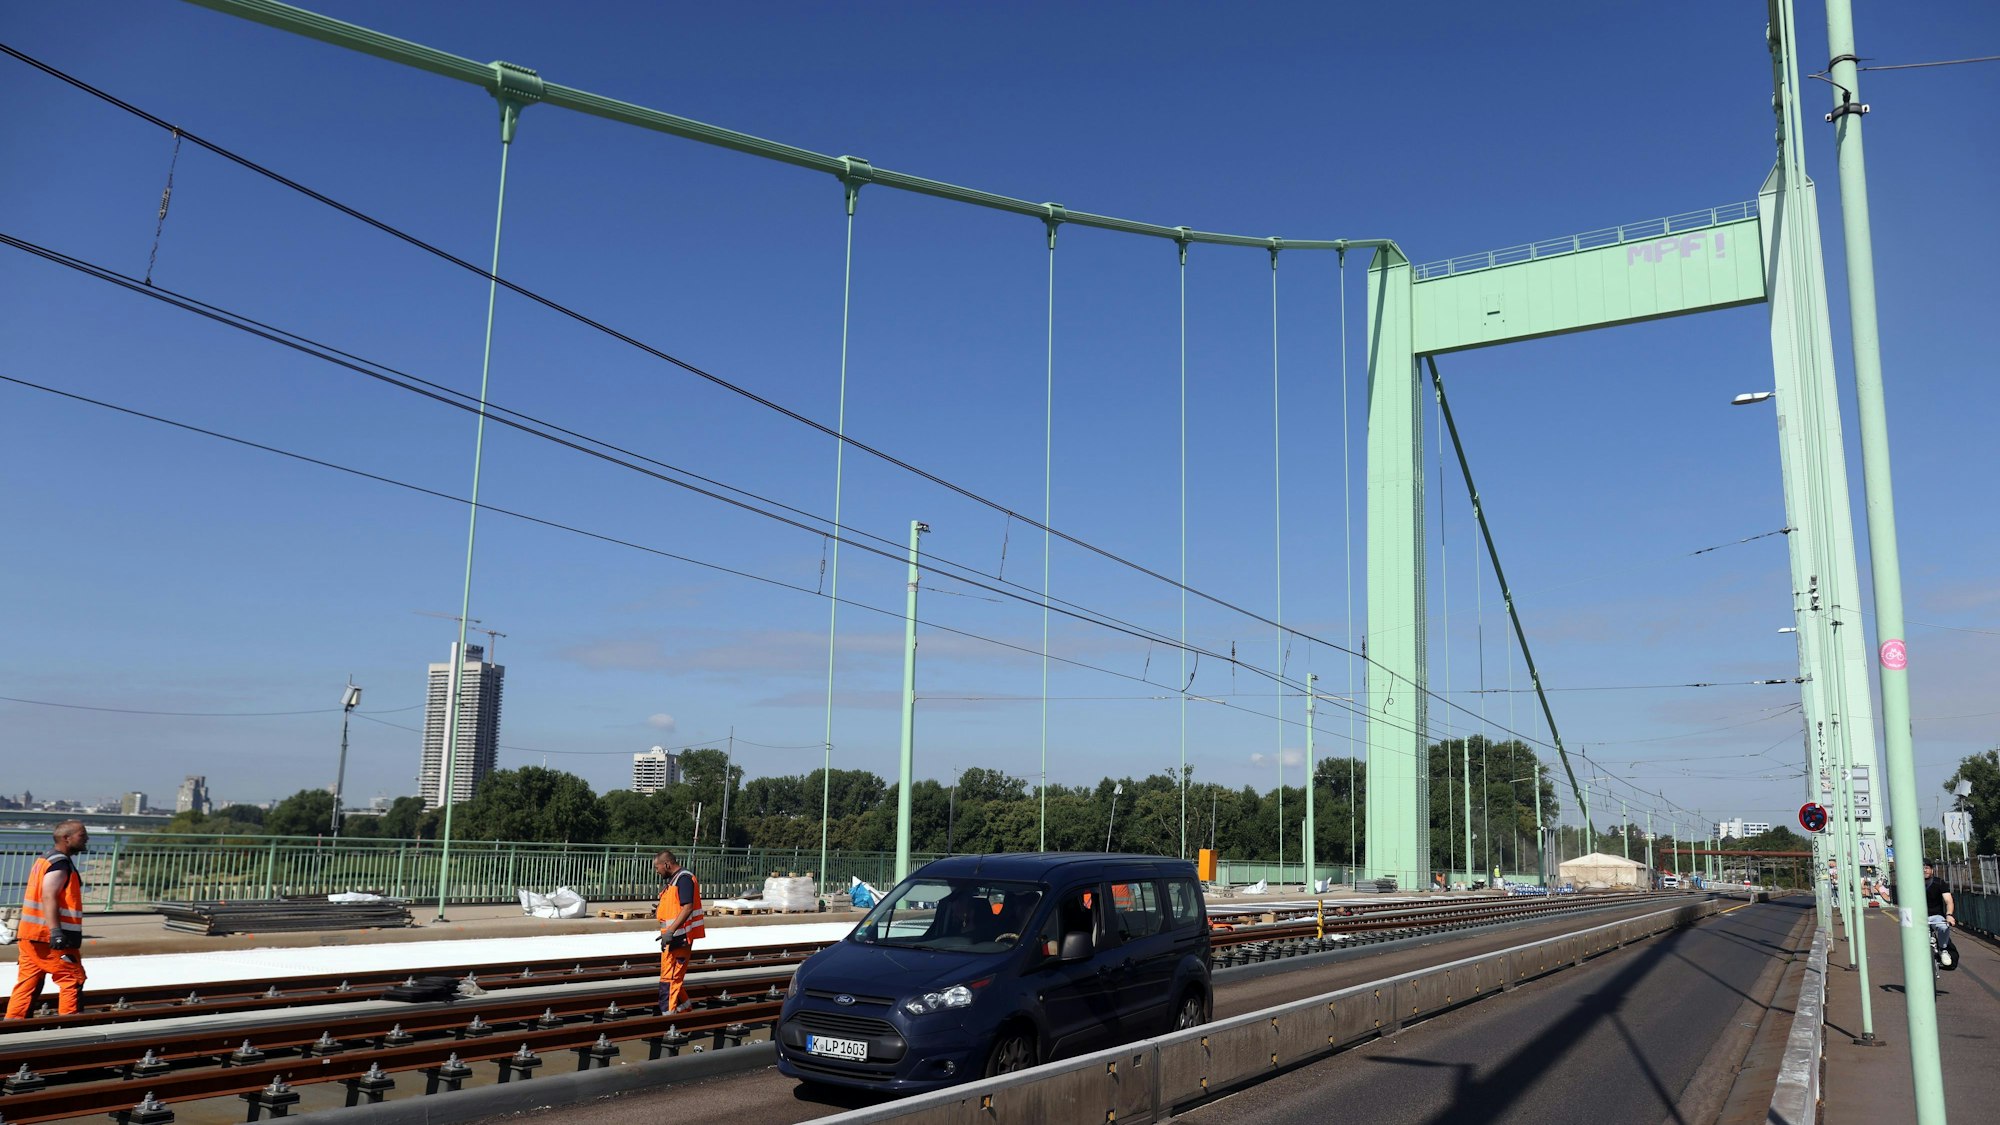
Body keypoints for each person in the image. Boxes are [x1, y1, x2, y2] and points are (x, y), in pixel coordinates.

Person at [8, 820, 90, 1019]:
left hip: (30, 935)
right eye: (82, 835)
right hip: (50, 938)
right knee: (72, 978)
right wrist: (56, 932)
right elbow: (48, 895)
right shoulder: (59, 863)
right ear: (66, 838)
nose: (86, 839)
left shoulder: (45, 860)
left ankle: (12, 1025)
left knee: (28, 982)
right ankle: (69, 1030)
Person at [653, 850, 704, 1015]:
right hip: (673, 937)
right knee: (673, 977)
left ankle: (668, 1017)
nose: (657, 871)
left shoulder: (684, 879)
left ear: (667, 864)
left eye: (657, 867)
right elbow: (676, 906)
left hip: (678, 938)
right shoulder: (675, 880)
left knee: (669, 978)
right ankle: (686, 1007)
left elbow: (687, 907)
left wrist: (671, 931)